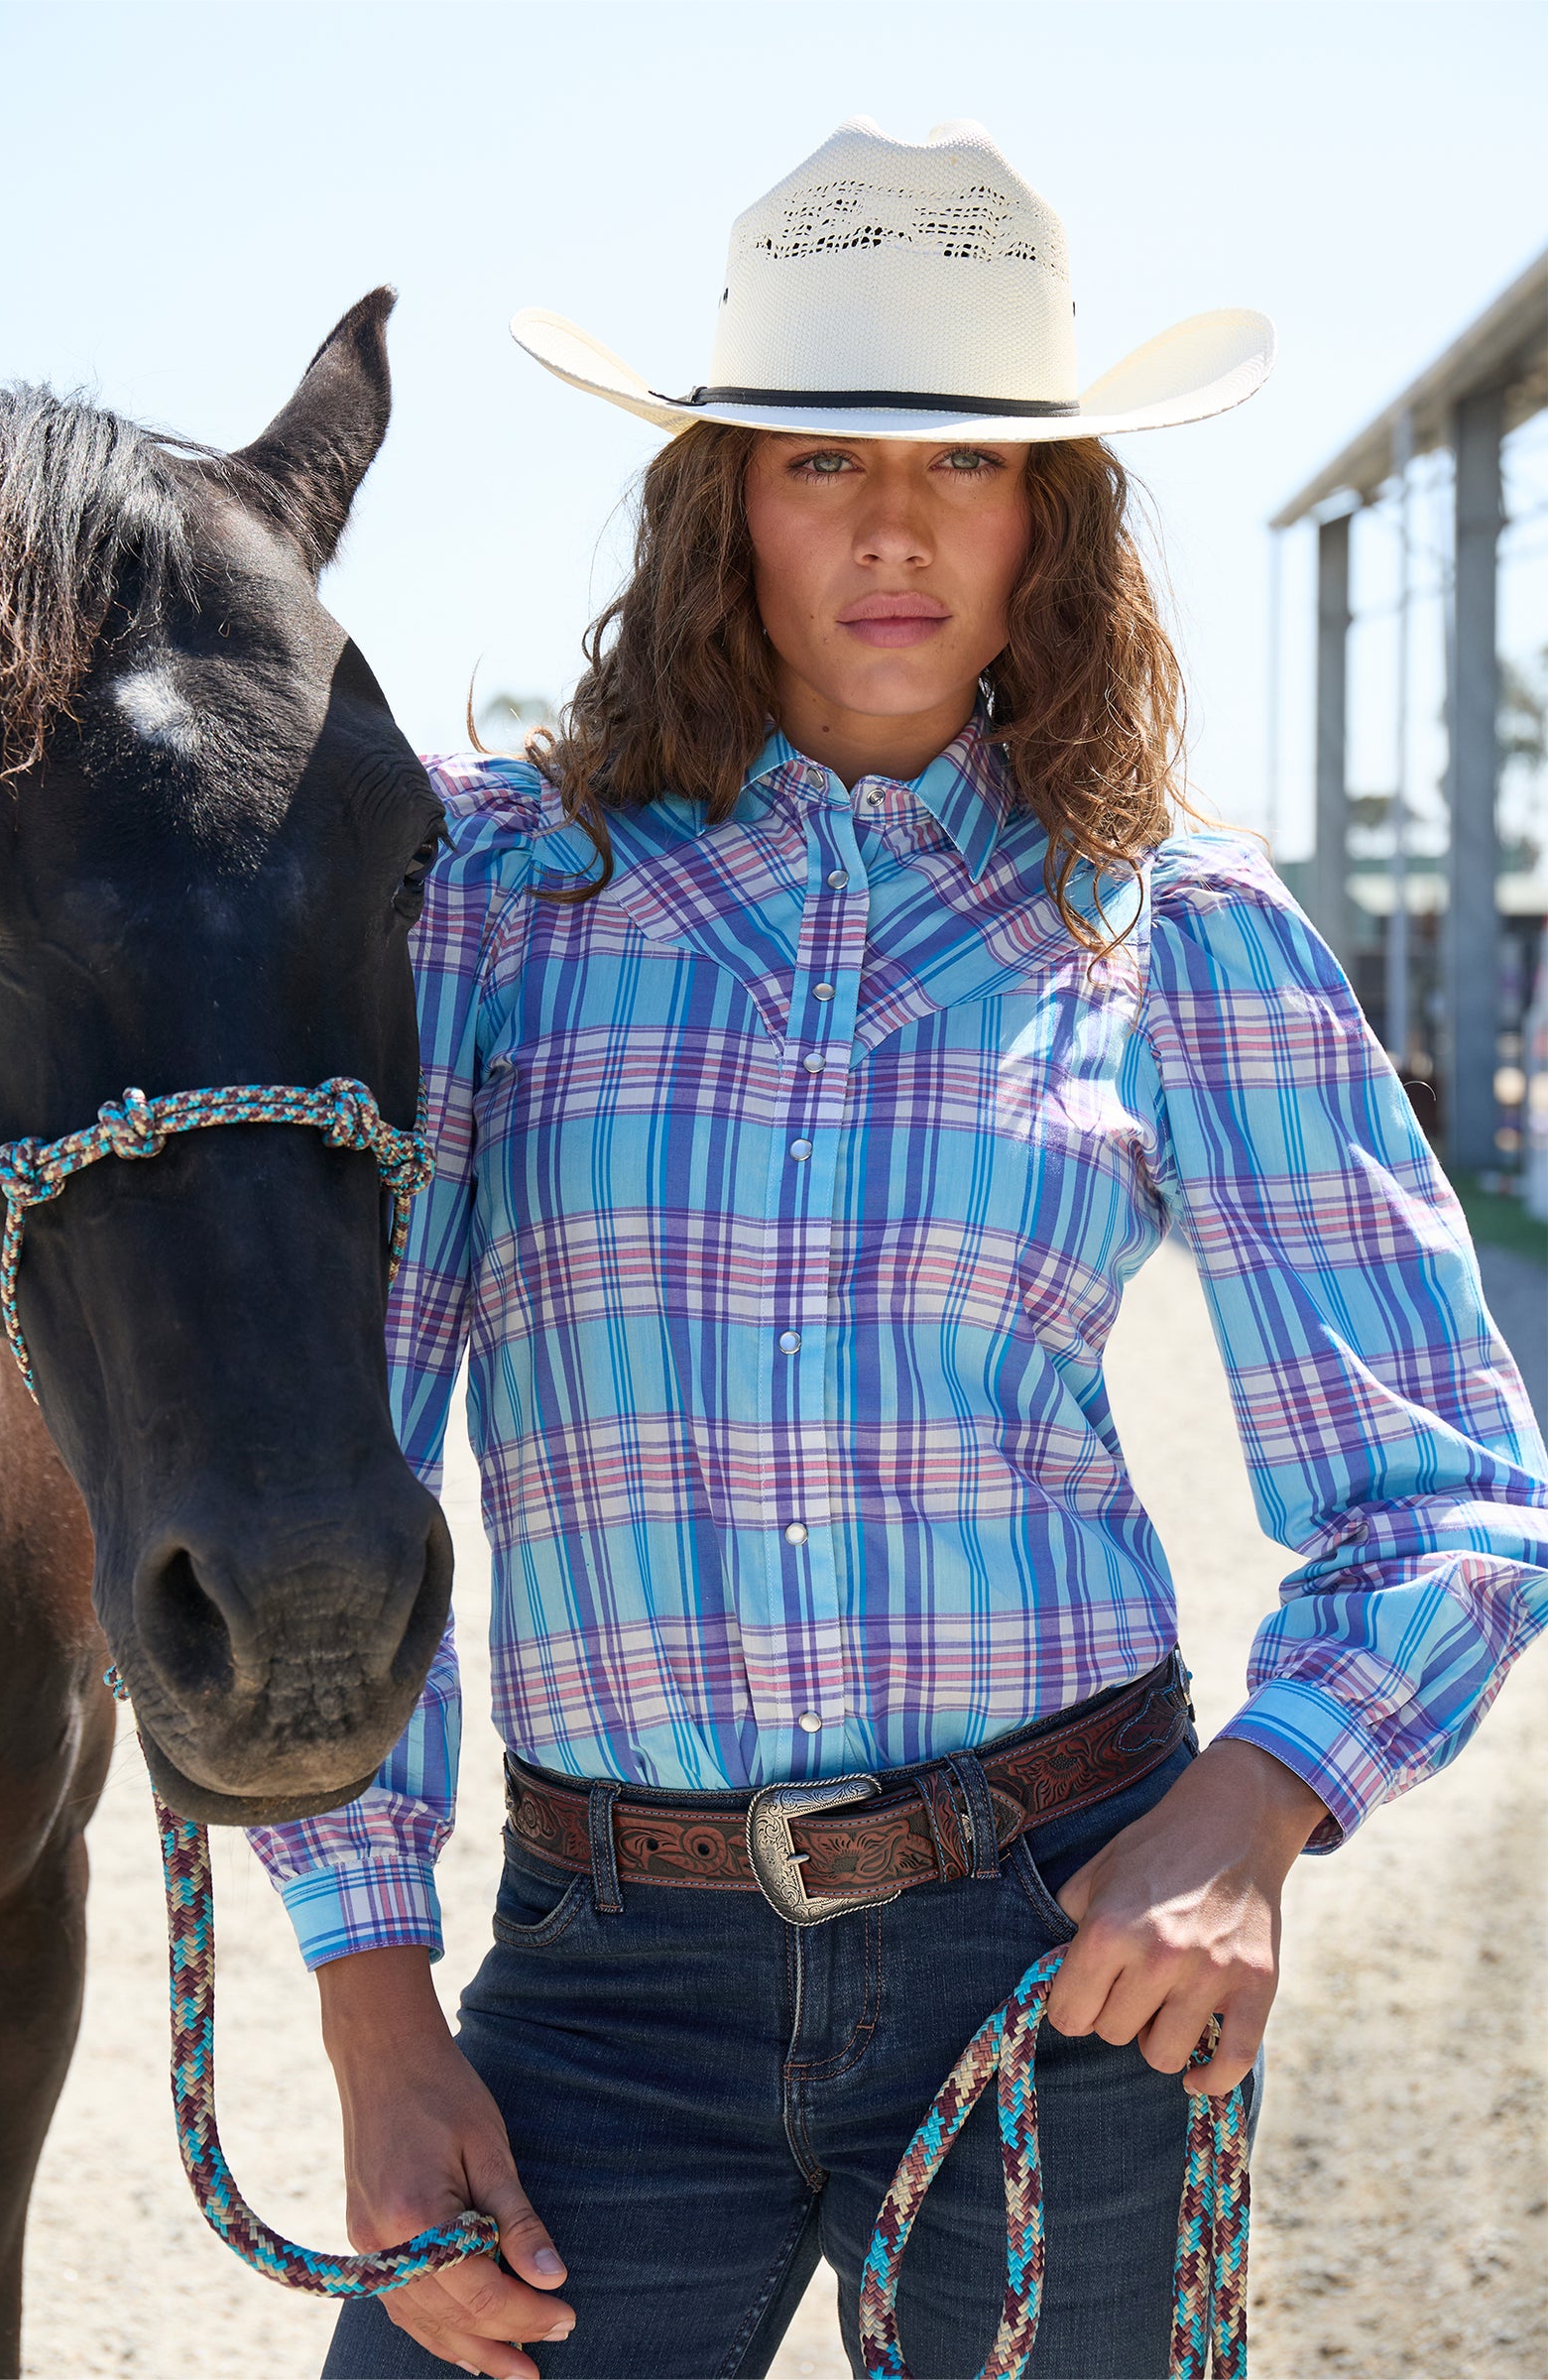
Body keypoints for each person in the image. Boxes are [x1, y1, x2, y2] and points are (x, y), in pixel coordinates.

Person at [250, 118, 1548, 2380]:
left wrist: (1252, 1812)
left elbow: (1443, 1488)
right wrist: (374, 2006)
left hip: (1060, 1944)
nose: (889, 526)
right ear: (720, 504)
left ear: (1050, 515)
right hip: (601, 1979)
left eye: (964, 462)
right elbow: (333, 1477)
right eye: (818, 459)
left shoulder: (1180, 928)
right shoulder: (493, 903)